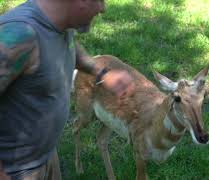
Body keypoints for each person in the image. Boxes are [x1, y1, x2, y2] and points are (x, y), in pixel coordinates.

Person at [0, 0, 134, 179]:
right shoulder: (19, 35)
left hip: (46, 156)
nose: (103, 9)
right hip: (17, 171)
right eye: (100, 0)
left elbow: (68, 46)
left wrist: (101, 72)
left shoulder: (61, 25)